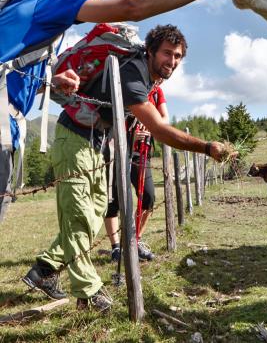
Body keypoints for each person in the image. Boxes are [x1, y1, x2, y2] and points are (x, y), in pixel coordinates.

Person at [0, 0, 249, 223]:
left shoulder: (30, 5)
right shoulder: (55, 0)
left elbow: (11, 72)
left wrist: (51, 81)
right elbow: (133, 7)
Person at [23, 23, 237, 313]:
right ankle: (88, 290)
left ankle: (45, 269)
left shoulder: (149, 77)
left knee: (96, 211)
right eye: (166, 53)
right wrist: (207, 147)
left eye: (177, 56)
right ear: (150, 50)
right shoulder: (133, 73)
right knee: (79, 216)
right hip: (72, 139)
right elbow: (160, 129)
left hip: (97, 141)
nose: (171, 61)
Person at [105, 82, 168, 262]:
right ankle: (115, 247)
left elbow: (165, 118)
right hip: (117, 151)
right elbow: (110, 120)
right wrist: (129, 137)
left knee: (148, 198)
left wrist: (152, 127)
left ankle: (133, 241)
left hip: (142, 153)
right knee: (114, 200)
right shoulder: (128, 85)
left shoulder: (157, 93)